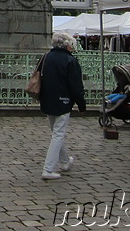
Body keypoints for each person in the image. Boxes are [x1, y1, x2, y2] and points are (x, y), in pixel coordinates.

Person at [40, 32, 86, 180]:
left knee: (56, 132)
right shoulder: (70, 60)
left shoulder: (46, 57)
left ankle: (65, 161)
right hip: (63, 100)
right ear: (67, 45)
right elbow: (76, 86)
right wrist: (81, 104)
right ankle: (48, 169)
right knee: (58, 135)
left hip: (47, 98)